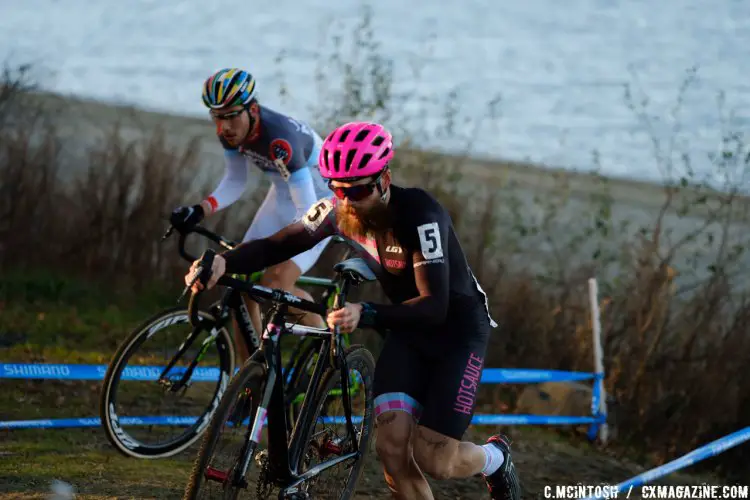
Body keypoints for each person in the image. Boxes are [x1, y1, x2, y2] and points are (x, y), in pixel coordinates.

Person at [184, 121, 521, 499]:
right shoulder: (335, 211)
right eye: (337, 188)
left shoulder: (421, 214)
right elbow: (275, 246)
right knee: (391, 449)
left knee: (436, 460)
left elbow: (434, 306)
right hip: (408, 331)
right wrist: (224, 263)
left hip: (456, 330)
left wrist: (368, 313)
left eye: (358, 190)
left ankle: (495, 458)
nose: (348, 200)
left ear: (385, 180)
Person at [169, 68, 331, 361]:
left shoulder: (278, 140)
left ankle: (329, 356)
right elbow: (235, 180)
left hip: (321, 202)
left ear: (252, 109)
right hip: (285, 191)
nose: (225, 126)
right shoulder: (231, 131)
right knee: (243, 281)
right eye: (217, 116)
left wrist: (274, 253)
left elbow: (307, 215)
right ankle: (251, 378)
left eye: (231, 115)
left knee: (273, 282)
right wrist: (200, 209)